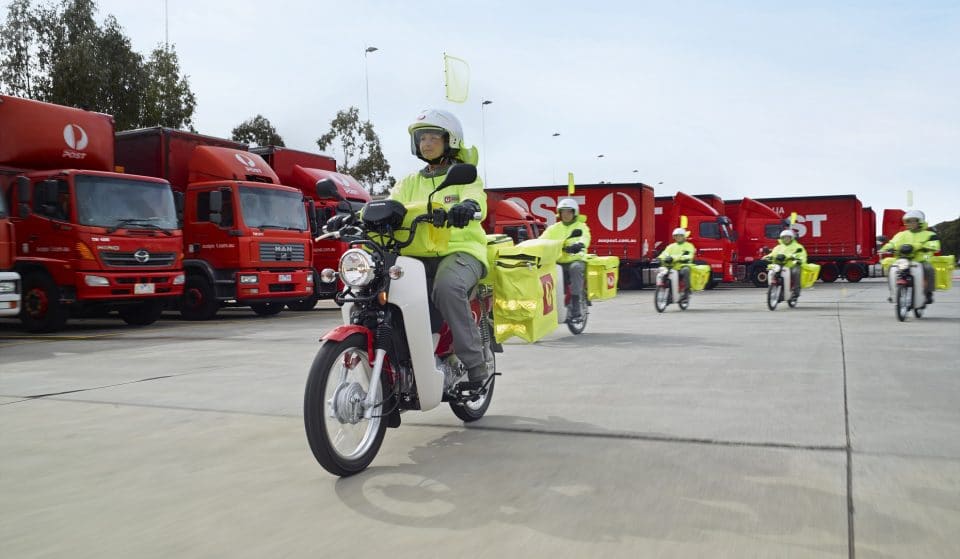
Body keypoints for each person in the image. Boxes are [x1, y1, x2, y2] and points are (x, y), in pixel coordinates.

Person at [388, 109, 490, 388]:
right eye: (422, 138)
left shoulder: (465, 177)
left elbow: (476, 199)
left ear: (450, 140)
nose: (427, 143)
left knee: (447, 286)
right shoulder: (409, 182)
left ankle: (475, 364)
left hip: (461, 249)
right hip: (415, 253)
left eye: (433, 137)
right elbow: (391, 204)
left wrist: (467, 207)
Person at [539, 198, 591, 319]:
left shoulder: (581, 226)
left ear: (574, 213)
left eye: (569, 212)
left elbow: (585, 237)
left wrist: (579, 245)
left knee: (575, 268)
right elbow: (542, 240)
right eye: (563, 212)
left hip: (576, 259)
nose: (566, 214)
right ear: (559, 213)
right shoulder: (553, 228)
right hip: (558, 261)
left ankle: (576, 303)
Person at [880, 210, 940, 304]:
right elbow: (892, 243)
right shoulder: (901, 234)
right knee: (891, 268)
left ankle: (928, 293)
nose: (909, 223)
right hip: (902, 260)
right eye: (907, 221)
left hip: (920, 260)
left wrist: (922, 246)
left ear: (920, 221)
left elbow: (935, 244)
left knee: (929, 268)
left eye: (912, 221)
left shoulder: (930, 234)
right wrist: (885, 248)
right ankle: (893, 293)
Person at [763, 229, 808, 298]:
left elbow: (802, 254)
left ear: (791, 238)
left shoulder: (797, 246)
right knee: (772, 271)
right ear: (781, 238)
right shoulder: (778, 247)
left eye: (788, 237)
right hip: (780, 264)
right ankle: (772, 288)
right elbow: (773, 254)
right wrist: (767, 257)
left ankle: (796, 291)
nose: (786, 239)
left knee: (796, 272)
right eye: (784, 237)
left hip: (792, 265)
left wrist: (799, 259)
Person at [657, 227, 696, 298]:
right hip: (671, 267)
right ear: (674, 237)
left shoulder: (689, 246)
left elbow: (689, 255)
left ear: (684, 236)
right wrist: (659, 258)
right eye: (676, 236)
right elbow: (664, 253)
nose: (678, 237)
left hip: (682, 266)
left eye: (680, 236)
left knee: (686, 270)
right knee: (663, 273)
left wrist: (675, 258)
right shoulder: (671, 246)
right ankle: (665, 288)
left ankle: (687, 290)